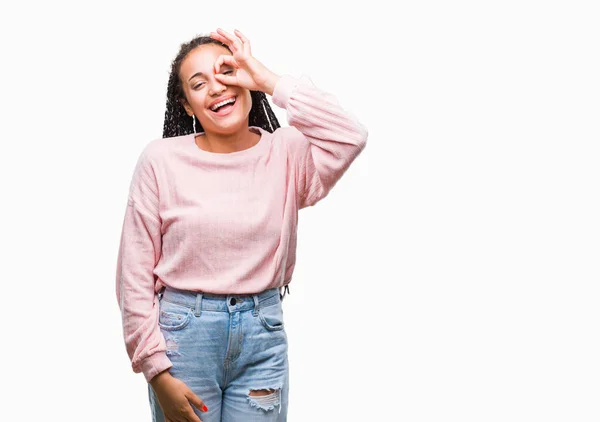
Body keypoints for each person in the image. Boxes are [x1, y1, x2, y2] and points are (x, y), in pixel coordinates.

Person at [115, 28, 368, 422]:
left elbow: (349, 136)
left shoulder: (286, 151)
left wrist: (268, 79)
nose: (217, 89)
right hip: (183, 336)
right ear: (186, 105)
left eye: (227, 73)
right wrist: (156, 371)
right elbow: (134, 274)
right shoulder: (160, 160)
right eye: (200, 84)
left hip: (262, 332)